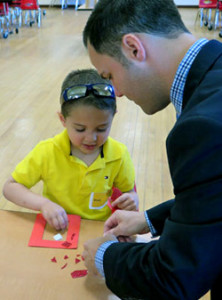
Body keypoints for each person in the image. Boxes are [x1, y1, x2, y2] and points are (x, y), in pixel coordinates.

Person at [82, 0, 222, 299]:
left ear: (134, 47)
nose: (116, 92)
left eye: (109, 76)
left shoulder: (203, 127)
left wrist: (104, 255)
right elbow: (215, 197)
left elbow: (176, 275)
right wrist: (149, 219)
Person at [3, 69, 139, 231]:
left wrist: (132, 199)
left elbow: (130, 192)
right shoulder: (47, 151)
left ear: (113, 117)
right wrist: (44, 204)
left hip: (99, 228)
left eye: (102, 128)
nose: (91, 138)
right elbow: (10, 188)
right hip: (58, 228)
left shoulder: (119, 154)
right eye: (80, 129)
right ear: (63, 120)